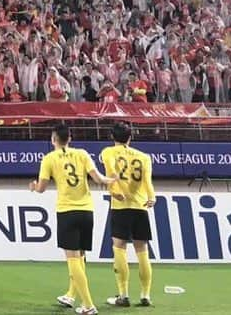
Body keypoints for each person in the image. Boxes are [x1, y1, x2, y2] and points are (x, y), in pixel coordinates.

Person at [30, 122, 116, 315]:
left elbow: (42, 188)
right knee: (81, 256)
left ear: (53, 139)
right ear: (70, 138)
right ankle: (71, 294)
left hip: (67, 212)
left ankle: (88, 305)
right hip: (87, 211)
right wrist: (112, 181)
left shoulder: (49, 159)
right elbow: (99, 179)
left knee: (72, 259)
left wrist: (34, 186)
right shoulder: (83, 154)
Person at [100, 122, 155, 308]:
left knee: (119, 247)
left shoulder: (108, 152)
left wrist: (113, 190)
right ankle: (145, 295)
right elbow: (147, 181)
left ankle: (123, 295)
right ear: (130, 137)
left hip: (121, 206)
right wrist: (152, 197)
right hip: (140, 207)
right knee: (142, 252)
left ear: (112, 137)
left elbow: (111, 173)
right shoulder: (144, 157)